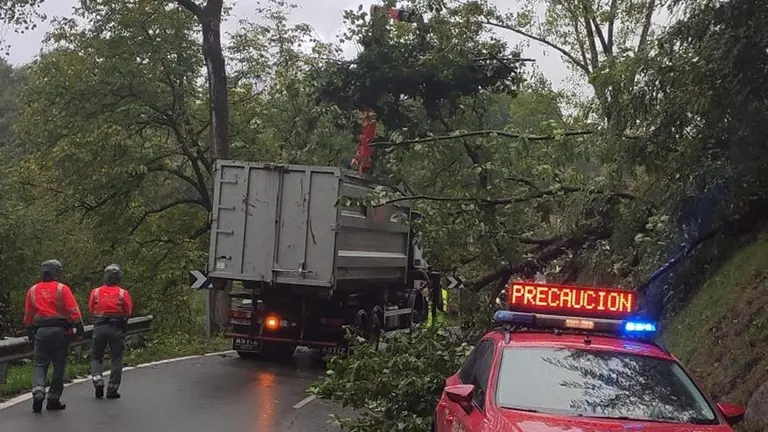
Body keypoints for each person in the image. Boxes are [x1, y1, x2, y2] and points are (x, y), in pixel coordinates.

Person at [23, 259, 85, 413]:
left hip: (41, 332)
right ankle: (53, 398)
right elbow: (73, 310)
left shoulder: (32, 290)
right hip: (60, 332)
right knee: (59, 364)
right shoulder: (62, 289)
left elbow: (28, 315)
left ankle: (38, 391)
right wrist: (79, 327)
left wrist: (30, 332)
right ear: (56, 272)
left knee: (39, 363)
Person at [89, 264, 133, 399]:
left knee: (96, 356)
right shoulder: (122, 293)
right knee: (116, 359)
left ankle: (97, 380)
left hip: (99, 327)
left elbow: (91, 310)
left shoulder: (95, 292)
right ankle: (112, 389)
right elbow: (128, 311)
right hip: (116, 328)